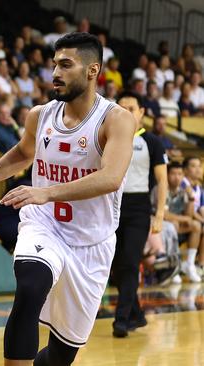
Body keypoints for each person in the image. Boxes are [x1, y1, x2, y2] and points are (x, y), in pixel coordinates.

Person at [0, 32, 136, 366]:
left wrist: (46, 191)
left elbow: (111, 178)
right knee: (29, 286)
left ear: (92, 71)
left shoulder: (116, 119)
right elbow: (24, 152)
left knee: (60, 355)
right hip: (46, 225)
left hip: (91, 242)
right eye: (54, 64)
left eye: (66, 65)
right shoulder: (40, 115)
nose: (55, 73)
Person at [111, 91, 168, 338]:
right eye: (121, 108)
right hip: (112, 207)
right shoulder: (109, 137)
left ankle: (121, 320)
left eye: (131, 108)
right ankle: (137, 314)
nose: (126, 112)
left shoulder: (152, 142)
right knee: (116, 266)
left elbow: (162, 180)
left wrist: (159, 214)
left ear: (141, 113)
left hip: (138, 208)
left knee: (131, 262)